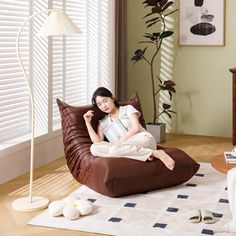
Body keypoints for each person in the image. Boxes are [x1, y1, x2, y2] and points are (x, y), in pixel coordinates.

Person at [83, 87, 175, 170]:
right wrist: (87, 122)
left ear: (112, 98)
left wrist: (119, 142)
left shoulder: (127, 109)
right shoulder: (103, 123)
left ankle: (156, 153)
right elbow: (97, 142)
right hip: (122, 148)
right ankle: (149, 153)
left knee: (114, 150)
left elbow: (136, 128)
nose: (104, 105)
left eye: (105, 100)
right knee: (94, 148)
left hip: (143, 140)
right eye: (99, 104)